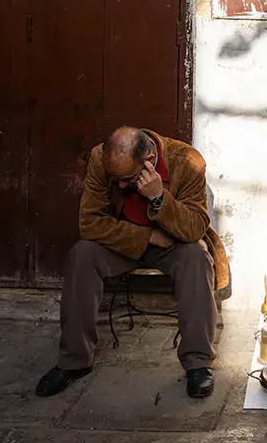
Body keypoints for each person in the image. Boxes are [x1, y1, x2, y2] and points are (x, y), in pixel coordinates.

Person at [35, 127, 230, 399]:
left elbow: (195, 228)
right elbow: (89, 223)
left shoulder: (187, 161)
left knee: (197, 258)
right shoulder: (100, 158)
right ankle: (74, 362)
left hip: (173, 242)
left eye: (127, 179)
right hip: (123, 242)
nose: (121, 185)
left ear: (150, 159)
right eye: (116, 179)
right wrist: (148, 236)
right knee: (82, 255)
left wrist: (159, 198)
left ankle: (198, 364)